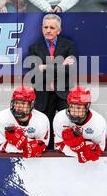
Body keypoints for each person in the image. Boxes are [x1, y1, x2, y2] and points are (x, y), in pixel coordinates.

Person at [28, 14, 76, 149]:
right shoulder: (34, 48)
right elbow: (34, 74)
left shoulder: (69, 46)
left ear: (58, 30)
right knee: (45, 127)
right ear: (42, 29)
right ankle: (46, 153)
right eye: (45, 27)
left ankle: (67, 151)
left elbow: (70, 71)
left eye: (52, 28)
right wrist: (60, 66)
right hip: (43, 93)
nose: (48, 30)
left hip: (63, 92)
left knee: (66, 125)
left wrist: (44, 67)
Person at [53, 86, 107, 164]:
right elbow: (58, 145)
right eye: (72, 107)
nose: (74, 112)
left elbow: (100, 149)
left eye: (78, 108)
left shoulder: (98, 122)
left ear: (87, 106)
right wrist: (80, 153)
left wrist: (81, 149)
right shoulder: (60, 118)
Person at [0, 86, 49, 158]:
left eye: (23, 103)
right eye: (16, 102)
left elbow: (42, 145)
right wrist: (27, 146)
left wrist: (22, 143)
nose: (19, 107)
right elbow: (1, 144)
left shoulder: (42, 119)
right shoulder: (2, 117)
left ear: (31, 104)